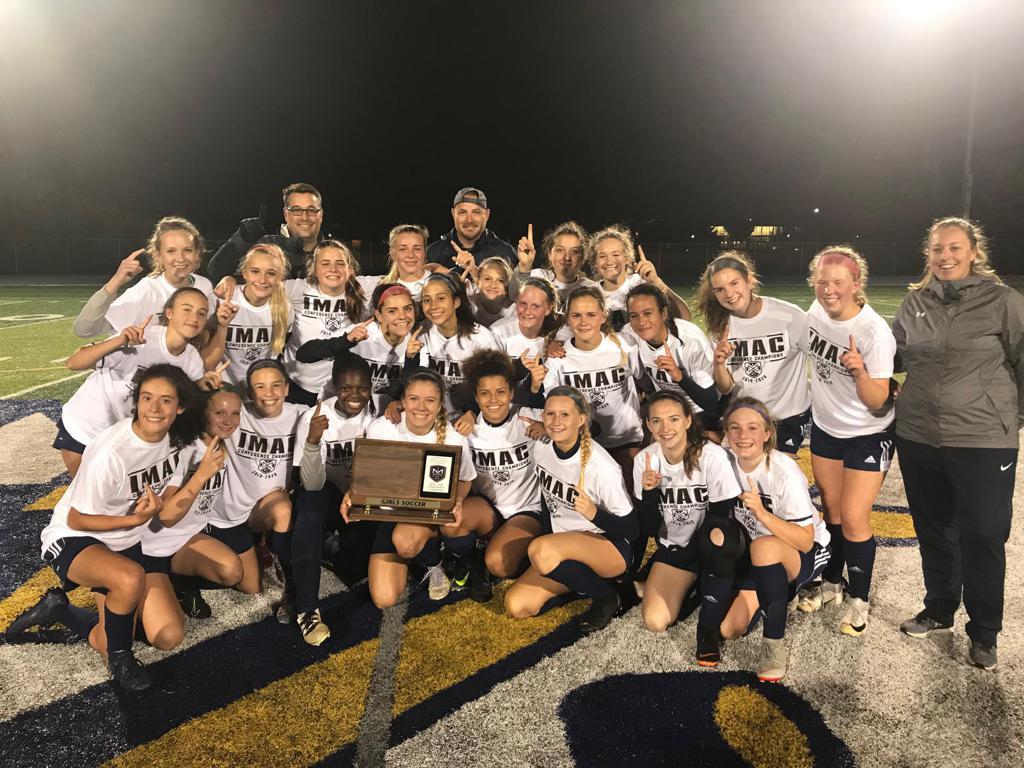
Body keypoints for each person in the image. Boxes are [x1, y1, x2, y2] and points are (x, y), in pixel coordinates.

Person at [10, 365, 203, 692]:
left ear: (180, 406)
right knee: (128, 579)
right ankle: (122, 664)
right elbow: (77, 520)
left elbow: (167, 510)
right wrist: (136, 519)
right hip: (76, 537)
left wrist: (203, 473)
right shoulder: (111, 451)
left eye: (166, 401)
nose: (154, 409)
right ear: (137, 401)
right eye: (147, 398)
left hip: (124, 541)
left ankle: (60, 609)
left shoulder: (179, 443)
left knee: (167, 636)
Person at [893, 217, 1024, 671]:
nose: (944, 256)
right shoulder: (914, 303)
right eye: (936, 249)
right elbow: (891, 355)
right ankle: (940, 608)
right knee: (934, 528)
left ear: (973, 252)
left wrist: (1012, 417)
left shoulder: (1003, 301)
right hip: (918, 434)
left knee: (985, 532)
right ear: (927, 254)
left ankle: (985, 630)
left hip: (984, 438)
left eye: (953, 248)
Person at [696, 397, 830, 682]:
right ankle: (779, 594)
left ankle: (773, 644)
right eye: (735, 428)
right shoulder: (723, 461)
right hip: (756, 553)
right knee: (728, 629)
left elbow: (805, 541)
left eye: (752, 428)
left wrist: (762, 513)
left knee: (764, 546)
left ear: (767, 433)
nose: (744, 436)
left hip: (800, 549)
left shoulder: (783, 471)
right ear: (726, 433)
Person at [798, 246, 895, 638]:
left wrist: (859, 374)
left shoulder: (873, 331)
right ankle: (832, 583)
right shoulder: (816, 311)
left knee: (855, 518)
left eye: (838, 282)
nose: (828, 289)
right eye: (822, 281)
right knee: (832, 512)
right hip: (826, 429)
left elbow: (878, 400)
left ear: (857, 284)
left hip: (867, 434)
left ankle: (860, 598)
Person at [340, 369, 477, 608]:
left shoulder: (454, 438)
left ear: (440, 405)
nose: (421, 407)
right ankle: (423, 552)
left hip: (427, 514)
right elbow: (367, 476)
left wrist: (458, 501)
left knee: (404, 541)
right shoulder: (381, 428)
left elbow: (466, 479)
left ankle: (434, 562)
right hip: (389, 513)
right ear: (402, 401)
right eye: (414, 398)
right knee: (384, 599)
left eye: (430, 400)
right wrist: (351, 495)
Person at [504, 386, 636, 634]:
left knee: (540, 550)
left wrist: (594, 514)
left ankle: (608, 596)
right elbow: (548, 500)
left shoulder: (601, 466)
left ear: (582, 419)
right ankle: (580, 583)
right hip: (560, 549)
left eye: (565, 415)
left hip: (609, 548)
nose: (555, 421)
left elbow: (632, 529)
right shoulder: (543, 447)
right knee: (516, 605)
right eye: (550, 414)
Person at [55, 287, 215, 477]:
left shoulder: (193, 360)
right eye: (186, 309)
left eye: (201, 313)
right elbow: (73, 362)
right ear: (169, 313)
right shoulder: (143, 338)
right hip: (87, 428)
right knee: (88, 499)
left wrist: (200, 388)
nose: (194, 317)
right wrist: (118, 341)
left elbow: (181, 405)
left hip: (125, 437)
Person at [207, 360, 311, 637]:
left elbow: (346, 410)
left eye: (276, 385)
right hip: (230, 511)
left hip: (265, 509)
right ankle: (184, 581)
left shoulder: (304, 414)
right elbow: (200, 415)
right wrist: (203, 390)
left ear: (287, 389)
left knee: (282, 507)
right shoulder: (237, 414)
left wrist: (389, 405)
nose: (269, 393)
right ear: (249, 393)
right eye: (260, 387)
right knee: (250, 584)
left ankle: (291, 587)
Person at [635, 391, 740, 633]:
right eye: (657, 421)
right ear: (649, 425)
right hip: (675, 549)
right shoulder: (645, 461)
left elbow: (721, 519)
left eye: (673, 419)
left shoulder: (712, 456)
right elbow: (650, 527)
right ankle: (691, 588)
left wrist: (690, 555)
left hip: (713, 548)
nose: (665, 428)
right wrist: (649, 493)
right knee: (655, 621)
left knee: (731, 627)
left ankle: (703, 587)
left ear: (688, 420)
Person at [291, 352, 377, 644]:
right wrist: (313, 441)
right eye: (346, 388)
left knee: (357, 568)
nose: (354, 395)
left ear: (371, 386)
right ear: (334, 386)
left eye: (362, 388)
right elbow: (312, 483)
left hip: (361, 497)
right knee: (310, 509)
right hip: (325, 495)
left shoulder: (380, 411)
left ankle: (328, 548)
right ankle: (305, 609)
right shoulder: (314, 416)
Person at [697, 252, 811, 454]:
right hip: (746, 419)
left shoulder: (789, 316)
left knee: (778, 477)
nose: (729, 294)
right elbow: (725, 388)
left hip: (786, 418)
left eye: (734, 283)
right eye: (720, 289)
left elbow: (819, 360)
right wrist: (719, 364)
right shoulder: (720, 326)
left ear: (749, 280)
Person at [540, 286, 646, 487]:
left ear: (603, 316)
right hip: (580, 445)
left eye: (591, 314)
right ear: (568, 319)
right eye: (576, 315)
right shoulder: (558, 357)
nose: (583, 322)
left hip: (624, 441)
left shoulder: (624, 346)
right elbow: (550, 402)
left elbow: (646, 382)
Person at [154, 388, 246, 620]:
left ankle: (181, 582)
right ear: (204, 413)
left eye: (235, 413)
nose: (228, 421)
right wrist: (200, 474)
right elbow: (165, 514)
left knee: (234, 573)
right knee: (163, 633)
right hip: (155, 542)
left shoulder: (221, 444)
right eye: (220, 413)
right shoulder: (182, 448)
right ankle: (162, 578)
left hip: (188, 538)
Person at [461, 350, 546, 598]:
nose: (493, 400)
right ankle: (470, 560)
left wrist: (547, 428)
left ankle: (520, 546)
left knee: (499, 565)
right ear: (475, 398)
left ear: (511, 393)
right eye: (485, 394)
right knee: (453, 517)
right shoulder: (466, 427)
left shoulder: (529, 417)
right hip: (489, 509)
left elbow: (582, 425)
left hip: (526, 509)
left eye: (500, 392)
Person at [73, 216, 216, 337]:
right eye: (171, 251)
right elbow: (84, 330)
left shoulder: (204, 285)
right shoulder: (145, 291)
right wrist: (116, 281)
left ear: (197, 254)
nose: (181, 258)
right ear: (158, 255)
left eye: (188, 250)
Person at [296, 283, 416, 412]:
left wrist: (412, 360)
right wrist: (345, 341)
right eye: (392, 311)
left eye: (408, 308)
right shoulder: (362, 333)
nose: (402, 316)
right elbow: (303, 354)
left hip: (378, 413)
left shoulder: (417, 342)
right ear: (379, 315)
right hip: (338, 411)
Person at [622, 283, 719, 432]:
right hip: (666, 410)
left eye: (648, 313)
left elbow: (711, 403)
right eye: (634, 315)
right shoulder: (631, 333)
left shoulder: (690, 340)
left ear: (664, 313)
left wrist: (679, 376)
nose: (641, 322)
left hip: (699, 412)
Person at [406, 273, 499, 424]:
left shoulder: (481, 338)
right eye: (427, 300)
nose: (433, 306)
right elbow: (415, 384)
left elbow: (494, 385)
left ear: (456, 301)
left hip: (471, 418)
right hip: (432, 418)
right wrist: (410, 358)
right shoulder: (421, 332)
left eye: (441, 298)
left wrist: (473, 412)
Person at [202, 243, 294, 388]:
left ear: (280, 277)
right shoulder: (221, 299)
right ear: (244, 273)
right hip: (222, 387)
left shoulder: (285, 308)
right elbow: (205, 361)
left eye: (271, 273)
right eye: (255, 271)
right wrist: (222, 325)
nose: (262, 280)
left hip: (259, 391)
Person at [207, 182, 328, 284]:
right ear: (286, 214)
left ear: (321, 215)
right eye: (296, 210)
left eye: (311, 210)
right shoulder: (265, 245)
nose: (305, 217)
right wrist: (242, 240)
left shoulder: (335, 253)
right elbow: (216, 270)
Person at [588, 225, 691, 326]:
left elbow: (685, 318)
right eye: (602, 256)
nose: (609, 261)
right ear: (595, 262)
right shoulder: (589, 293)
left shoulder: (639, 284)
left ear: (627, 258)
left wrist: (658, 283)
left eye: (616, 254)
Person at [512, 221, 597, 311]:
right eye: (560, 250)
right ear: (550, 255)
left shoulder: (591, 288)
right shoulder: (537, 278)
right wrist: (524, 266)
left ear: (582, 257)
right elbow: (513, 294)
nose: (567, 257)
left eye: (574, 251)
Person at [426, 187, 517, 270]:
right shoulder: (432, 254)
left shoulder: (505, 254)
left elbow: (517, 287)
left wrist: (526, 267)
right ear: (453, 214)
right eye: (462, 212)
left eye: (476, 212)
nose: (469, 219)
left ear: (487, 215)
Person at [380, 224, 433, 300]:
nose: (411, 255)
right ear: (393, 253)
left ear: (424, 251)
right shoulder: (384, 289)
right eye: (403, 249)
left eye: (417, 249)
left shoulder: (440, 282)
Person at [463, 256, 516, 327]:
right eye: (487, 279)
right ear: (477, 282)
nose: (493, 285)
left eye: (500, 281)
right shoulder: (469, 301)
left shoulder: (514, 308)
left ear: (506, 289)